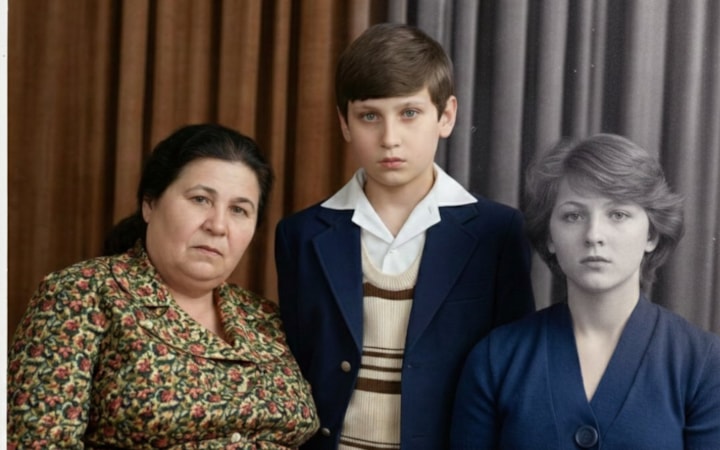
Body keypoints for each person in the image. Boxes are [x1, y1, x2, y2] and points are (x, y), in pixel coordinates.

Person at [274, 23, 535, 449]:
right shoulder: (300, 235)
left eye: (409, 113)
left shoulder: (497, 233)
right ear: (344, 123)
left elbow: (512, 378)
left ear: (446, 116)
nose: (389, 139)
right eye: (369, 116)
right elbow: (298, 376)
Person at [7, 124, 319, 449]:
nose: (218, 225)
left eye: (239, 210)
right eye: (200, 199)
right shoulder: (81, 293)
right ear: (150, 204)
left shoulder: (265, 317)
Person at [450, 133, 720, 449]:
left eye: (618, 214)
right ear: (549, 237)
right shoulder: (496, 359)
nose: (594, 235)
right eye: (573, 216)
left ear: (651, 235)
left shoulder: (702, 363)